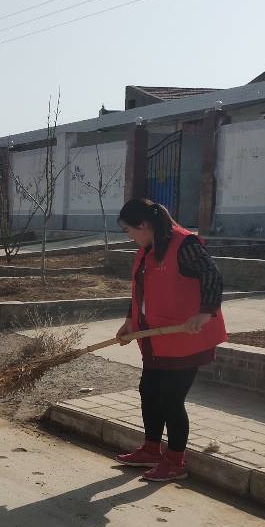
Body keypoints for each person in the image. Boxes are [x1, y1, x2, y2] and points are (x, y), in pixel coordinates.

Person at [115, 198, 227, 482]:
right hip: (155, 339)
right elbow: (141, 290)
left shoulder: (184, 245)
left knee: (171, 398)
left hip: (185, 337)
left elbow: (212, 276)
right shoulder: (148, 248)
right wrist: (130, 321)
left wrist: (204, 313)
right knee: (149, 392)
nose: (129, 237)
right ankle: (152, 449)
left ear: (143, 225)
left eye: (129, 230)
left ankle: (176, 460)